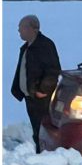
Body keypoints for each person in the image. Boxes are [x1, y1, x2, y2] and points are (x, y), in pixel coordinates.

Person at [11, 15, 61, 153]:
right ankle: (40, 152)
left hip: (40, 97)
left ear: (31, 29)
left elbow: (53, 70)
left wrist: (43, 90)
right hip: (30, 95)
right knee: (36, 128)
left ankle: (47, 154)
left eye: (21, 28)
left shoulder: (44, 45)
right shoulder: (27, 47)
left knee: (43, 128)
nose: (18, 31)